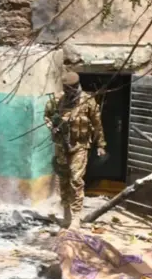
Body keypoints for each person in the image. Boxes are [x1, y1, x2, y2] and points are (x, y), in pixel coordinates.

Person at [44, 70, 107, 229]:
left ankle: (76, 217)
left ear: (77, 87)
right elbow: (47, 116)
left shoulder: (88, 102)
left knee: (76, 180)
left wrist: (101, 145)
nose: (69, 93)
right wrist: (52, 126)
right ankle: (66, 214)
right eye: (66, 90)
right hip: (61, 147)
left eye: (72, 89)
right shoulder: (57, 100)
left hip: (79, 146)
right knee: (64, 180)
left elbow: (97, 124)